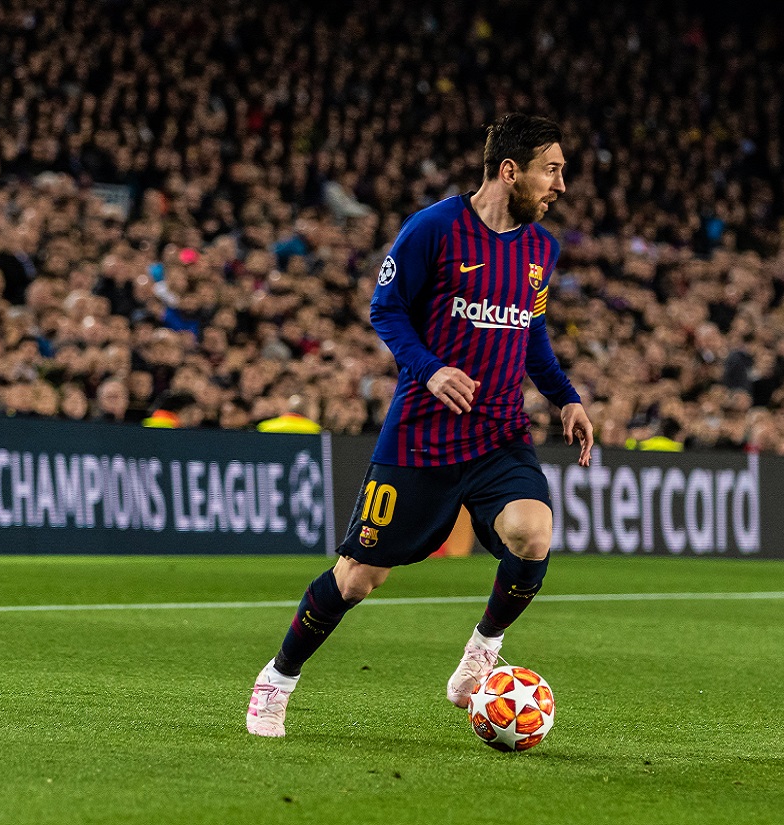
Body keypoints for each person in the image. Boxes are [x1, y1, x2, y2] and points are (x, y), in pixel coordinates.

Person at [246, 113, 594, 737]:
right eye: (552, 170)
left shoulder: (542, 249)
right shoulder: (434, 229)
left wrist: (565, 398)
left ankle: (481, 652)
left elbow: (531, 333)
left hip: (498, 435)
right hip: (421, 438)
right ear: (509, 171)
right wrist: (430, 370)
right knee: (358, 578)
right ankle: (277, 678)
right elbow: (386, 309)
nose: (560, 186)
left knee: (532, 532)